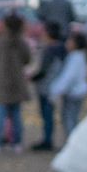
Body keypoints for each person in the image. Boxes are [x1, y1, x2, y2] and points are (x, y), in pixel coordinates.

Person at [0, 12, 34, 155]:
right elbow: (27, 58)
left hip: (1, 82)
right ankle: (16, 143)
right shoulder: (22, 42)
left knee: (0, 115)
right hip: (18, 82)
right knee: (16, 114)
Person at [29, 19, 68, 152]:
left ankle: (47, 140)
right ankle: (48, 138)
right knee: (51, 114)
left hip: (45, 86)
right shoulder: (62, 48)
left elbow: (42, 70)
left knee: (46, 115)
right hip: (55, 85)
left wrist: (31, 77)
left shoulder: (50, 49)